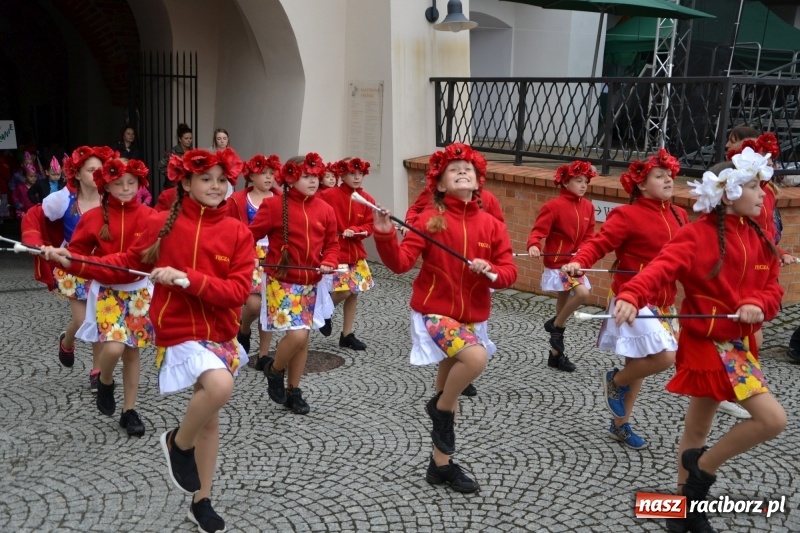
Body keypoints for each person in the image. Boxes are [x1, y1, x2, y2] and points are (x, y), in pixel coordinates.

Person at [44, 147, 252, 533]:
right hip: (178, 331)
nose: (215, 186)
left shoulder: (238, 231)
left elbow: (238, 292)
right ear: (185, 182)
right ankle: (176, 443)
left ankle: (201, 501)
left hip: (221, 332)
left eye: (222, 180)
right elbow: (125, 262)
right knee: (219, 386)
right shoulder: (164, 224)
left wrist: (187, 277)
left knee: (210, 417)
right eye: (205, 178)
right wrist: (72, 261)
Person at [614, 147, 786, 533]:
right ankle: (701, 472)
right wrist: (629, 295)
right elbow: (658, 269)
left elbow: (773, 289)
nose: (763, 195)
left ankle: (686, 502)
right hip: (707, 345)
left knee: (697, 432)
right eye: (756, 187)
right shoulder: (695, 236)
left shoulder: (762, 237)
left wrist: (758, 303)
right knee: (773, 419)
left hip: (738, 346)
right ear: (729, 193)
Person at [372, 142, 517, 493]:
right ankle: (440, 408)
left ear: (478, 180)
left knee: (449, 382)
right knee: (475, 357)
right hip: (434, 313)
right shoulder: (427, 220)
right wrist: (384, 233)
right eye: (454, 169)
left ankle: (440, 466)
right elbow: (400, 264)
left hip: (471, 318)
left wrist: (492, 271)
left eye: (468, 168)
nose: (462, 171)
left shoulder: (492, 225)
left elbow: (510, 271)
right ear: (439, 184)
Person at [562, 150, 688, 449]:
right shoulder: (627, 215)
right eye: (659, 176)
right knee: (663, 357)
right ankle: (615, 380)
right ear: (641, 185)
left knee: (640, 363)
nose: (668, 179)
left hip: (664, 301)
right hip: (632, 298)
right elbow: (599, 242)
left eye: (669, 174)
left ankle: (620, 425)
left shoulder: (679, 214)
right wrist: (579, 261)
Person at [66, 157, 155, 436]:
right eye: (119, 183)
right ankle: (105, 381)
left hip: (139, 291)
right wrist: (68, 258)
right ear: (107, 185)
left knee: (131, 351)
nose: (126, 188)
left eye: (132, 183)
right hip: (107, 291)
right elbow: (77, 252)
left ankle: (129, 410)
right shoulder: (93, 218)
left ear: (140, 184)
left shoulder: (150, 216)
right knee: (114, 347)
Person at [248, 153, 339, 415]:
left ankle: (293, 390)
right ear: (290, 177)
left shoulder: (325, 209)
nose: (313, 181)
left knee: (303, 339)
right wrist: (251, 257)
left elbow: (333, 244)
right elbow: (249, 236)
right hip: (282, 281)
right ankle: (274, 370)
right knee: (298, 334)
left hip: (311, 281)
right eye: (306, 176)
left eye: (315, 176)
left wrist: (329, 260)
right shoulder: (275, 206)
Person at [43, 146, 112, 391]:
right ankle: (67, 340)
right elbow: (41, 216)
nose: (96, 174)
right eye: (90, 170)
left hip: (100, 267)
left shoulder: (110, 200)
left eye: (100, 170)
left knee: (97, 319)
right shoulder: (63, 200)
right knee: (82, 319)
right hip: (73, 268)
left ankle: (97, 370)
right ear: (78, 174)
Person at [526, 161, 596, 372]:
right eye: (578, 180)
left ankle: (555, 354)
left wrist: (582, 253)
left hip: (576, 264)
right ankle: (556, 325)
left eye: (586, 181)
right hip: (559, 264)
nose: (583, 185)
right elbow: (538, 231)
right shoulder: (553, 206)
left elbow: (589, 236)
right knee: (582, 294)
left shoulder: (588, 207)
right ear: (565, 182)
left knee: (565, 303)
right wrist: (534, 245)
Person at [227, 153, 282, 369]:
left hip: (275, 255)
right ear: (251, 176)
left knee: (268, 304)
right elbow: (229, 228)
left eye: (271, 173)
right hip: (248, 253)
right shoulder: (237, 200)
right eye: (263, 173)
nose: (269, 177)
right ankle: (244, 328)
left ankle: (264, 354)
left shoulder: (280, 199)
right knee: (253, 303)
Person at [318, 157, 375, 350]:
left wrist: (358, 230)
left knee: (353, 294)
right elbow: (318, 215)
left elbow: (369, 225)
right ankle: (324, 312)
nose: (357, 177)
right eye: (352, 173)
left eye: (360, 173)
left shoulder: (367, 198)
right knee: (345, 290)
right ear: (342, 174)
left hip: (356, 252)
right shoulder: (329, 195)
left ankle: (347, 334)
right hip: (337, 251)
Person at [158, 123, 193, 187]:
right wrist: (172, 175)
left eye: (190, 138)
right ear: (180, 139)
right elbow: (161, 165)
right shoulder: (173, 151)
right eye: (186, 138)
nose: (189, 140)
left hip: (186, 184)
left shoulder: (192, 151)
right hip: (173, 186)